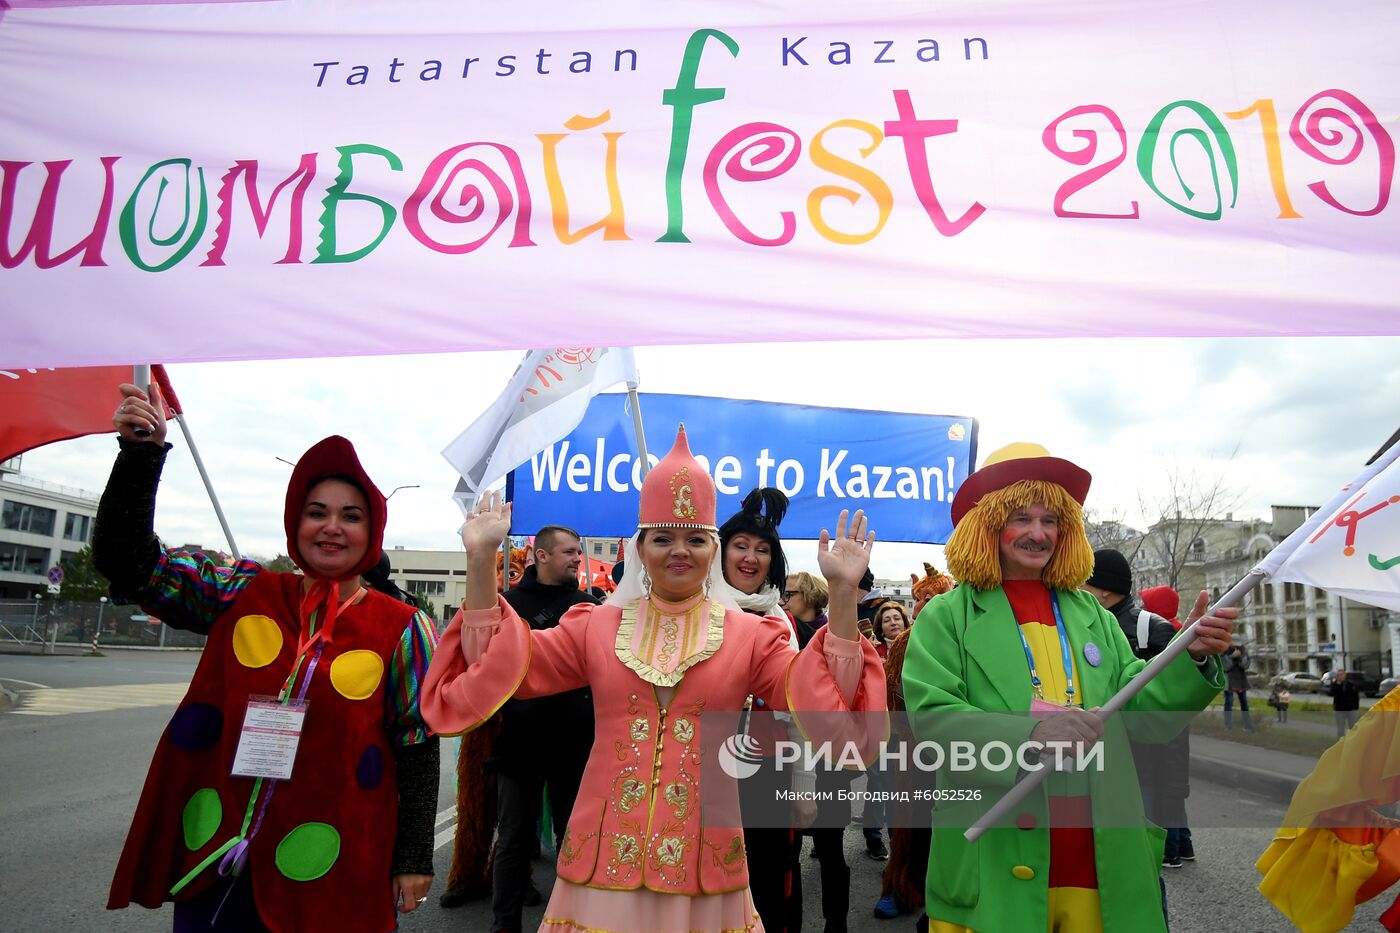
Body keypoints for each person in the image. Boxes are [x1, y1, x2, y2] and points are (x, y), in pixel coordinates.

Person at [421, 426, 887, 933]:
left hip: (705, 859)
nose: (678, 551)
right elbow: (495, 664)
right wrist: (479, 562)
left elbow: (824, 703)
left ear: (712, 550)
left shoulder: (753, 635)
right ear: (640, 549)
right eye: (662, 538)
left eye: (694, 540)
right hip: (600, 860)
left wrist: (842, 596)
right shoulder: (596, 624)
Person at [99, 384, 439, 933]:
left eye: (350, 516)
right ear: (294, 522)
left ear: (371, 531)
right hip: (224, 856)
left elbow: (416, 742)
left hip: (339, 858)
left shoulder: (403, 626)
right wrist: (140, 457)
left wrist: (413, 859)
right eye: (316, 512)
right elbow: (129, 564)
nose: (332, 527)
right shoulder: (242, 590)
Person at [901, 442, 1237, 933]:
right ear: (989, 526)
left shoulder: (1091, 615)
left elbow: (1141, 709)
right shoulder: (946, 617)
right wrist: (1030, 736)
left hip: (1098, 864)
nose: (1038, 533)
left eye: (1050, 521)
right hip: (995, 857)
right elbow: (931, 718)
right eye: (1021, 518)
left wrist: (1191, 655)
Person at [488, 525, 600, 933]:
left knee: (576, 841)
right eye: (569, 552)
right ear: (542, 556)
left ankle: (577, 922)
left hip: (577, 746)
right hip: (520, 743)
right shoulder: (509, 606)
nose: (576, 558)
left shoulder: (589, 607)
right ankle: (505, 924)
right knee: (514, 841)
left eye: (578, 552)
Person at [718, 487, 808, 933]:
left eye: (762, 549)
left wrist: (805, 784)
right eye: (741, 546)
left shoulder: (780, 621)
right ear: (721, 551)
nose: (751, 557)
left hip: (768, 772)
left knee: (768, 881)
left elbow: (800, 711)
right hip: (702, 769)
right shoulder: (694, 610)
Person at [1084, 549, 1194, 872]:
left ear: (1104, 589)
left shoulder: (1151, 628)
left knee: (1138, 847)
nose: (1078, 590)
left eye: (1085, 584)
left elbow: (1168, 699)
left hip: (1142, 752)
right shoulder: (1087, 623)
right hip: (1110, 750)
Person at [783, 570, 829, 649]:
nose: (780, 601)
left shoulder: (831, 636)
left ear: (810, 595)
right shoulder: (781, 629)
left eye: (787, 595)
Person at [1223, 644, 1255, 732]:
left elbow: (1245, 665)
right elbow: (1225, 667)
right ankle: (1227, 726)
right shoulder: (1224, 650)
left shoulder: (1243, 651)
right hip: (1229, 680)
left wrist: (1240, 657)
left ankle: (1247, 725)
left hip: (1241, 680)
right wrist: (1231, 657)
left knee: (1244, 703)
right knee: (1229, 702)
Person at [1332, 669, 1361, 737]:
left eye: (1341, 675)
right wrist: (1337, 685)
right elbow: (1332, 693)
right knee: (1340, 728)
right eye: (1338, 675)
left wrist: (1355, 706)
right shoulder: (1335, 685)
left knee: (1353, 726)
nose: (1340, 676)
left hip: (1350, 709)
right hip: (1339, 709)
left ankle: (1353, 741)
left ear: (1345, 675)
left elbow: (1356, 696)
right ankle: (1341, 742)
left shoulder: (1350, 685)